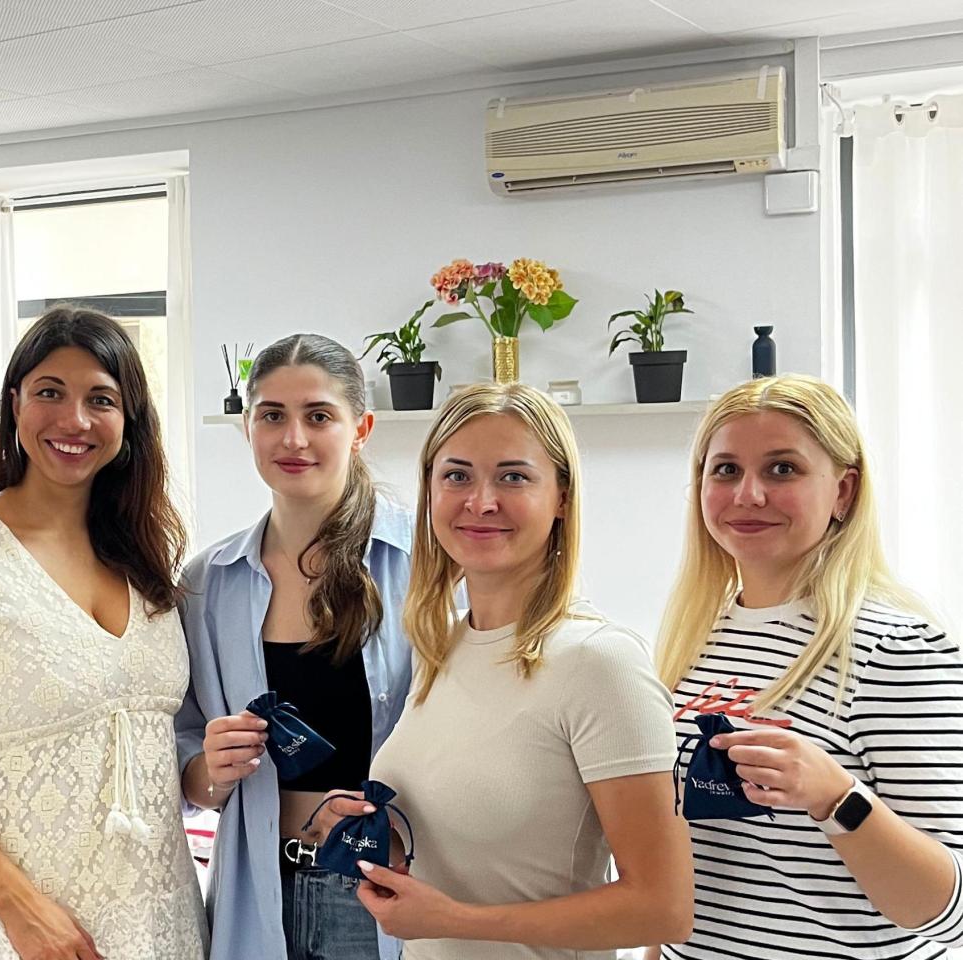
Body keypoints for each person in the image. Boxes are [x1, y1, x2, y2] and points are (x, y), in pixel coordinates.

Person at [0, 305, 206, 960]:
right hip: (15, 932)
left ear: (128, 423)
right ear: (14, 403)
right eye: (51, 392)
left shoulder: (145, 561)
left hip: (160, 925)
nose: (73, 420)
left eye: (100, 399)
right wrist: (19, 907)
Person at [359, 382, 693, 959]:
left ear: (562, 495)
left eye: (513, 477)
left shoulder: (600, 662)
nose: (481, 501)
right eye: (457, 476)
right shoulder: (441, 648)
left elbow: (663, 906)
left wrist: (458, 919)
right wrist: (382, 834)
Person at [652, 374, 963, 959]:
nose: (748, 494)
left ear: (843, 492)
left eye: (782, 469)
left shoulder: (898, 648)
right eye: (725, 470)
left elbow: (948, 913)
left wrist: (835, 796)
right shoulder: (691, 639)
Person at [176, 333, 415, 960]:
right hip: (255, 886)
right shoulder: (208, 581)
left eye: (318, 416)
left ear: (361, 428)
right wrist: (209, 770)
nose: (294, 439)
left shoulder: (423, 564)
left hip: (380, 889)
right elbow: (184, 752)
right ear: (246, 427)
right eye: (272, 416)